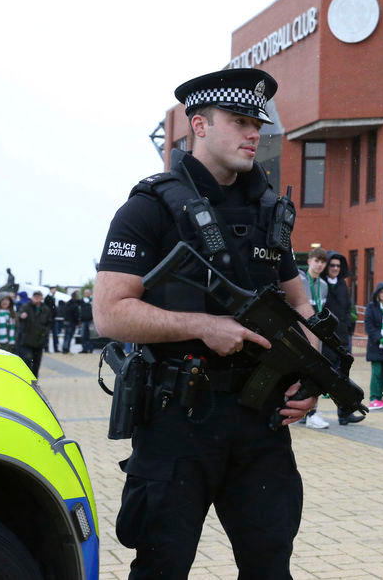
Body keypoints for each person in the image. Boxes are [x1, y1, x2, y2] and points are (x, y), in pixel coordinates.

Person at [92, 67, 317, 578]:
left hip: (260, 421)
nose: (253, 134)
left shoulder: (269, 211)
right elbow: (109, 311)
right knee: (162, 564)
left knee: (270, 565)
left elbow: (301, 305)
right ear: (198, 124)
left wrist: (313, 372)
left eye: (257, 123)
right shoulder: (148, 209)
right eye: (239, 121)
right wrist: (202, 326)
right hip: (177, 420)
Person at [326, 251, 364, 425]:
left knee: (343, 378)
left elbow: (349, 309)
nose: (335, 268)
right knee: (317, 376)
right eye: (332, 265)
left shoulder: (342, 285)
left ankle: (344, 413)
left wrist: (349, 329)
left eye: (338, 266)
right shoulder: (321, 284)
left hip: (342, 338)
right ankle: (308, 414)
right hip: (325, 337)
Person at [298, 246, 332, 429]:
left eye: (322, 262)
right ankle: (298, 408)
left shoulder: (324, 286)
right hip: (299, 331)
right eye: (316, 261)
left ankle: (312, 411)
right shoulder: (300, 280)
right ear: (309, 261)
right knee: (296, 371)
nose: (319, 265)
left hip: (316, 334)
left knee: (315, 371)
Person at [17, 291, 54, 376]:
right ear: (32, 297)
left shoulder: (45, 309)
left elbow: (49, 323)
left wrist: (45, 334)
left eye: (39, 297)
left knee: (36, 363)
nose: (37, 298)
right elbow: (18, 315)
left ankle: (34, 380)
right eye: (35, 296)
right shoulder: (26, 306)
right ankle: (27, 378)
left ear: (42, 298)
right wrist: (21, 316)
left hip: (39, 340)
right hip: (27, 340)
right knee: (28, 360)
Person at [77, 288, 94, 353]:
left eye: (88, 292)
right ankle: (84, 349)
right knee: (83, 335)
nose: (86, 294)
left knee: (91, 335)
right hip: (83, 321)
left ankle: (90, 349)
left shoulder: (92, 300)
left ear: (90, 293)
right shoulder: (81, 301)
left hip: (91, 320)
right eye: (85, 293)